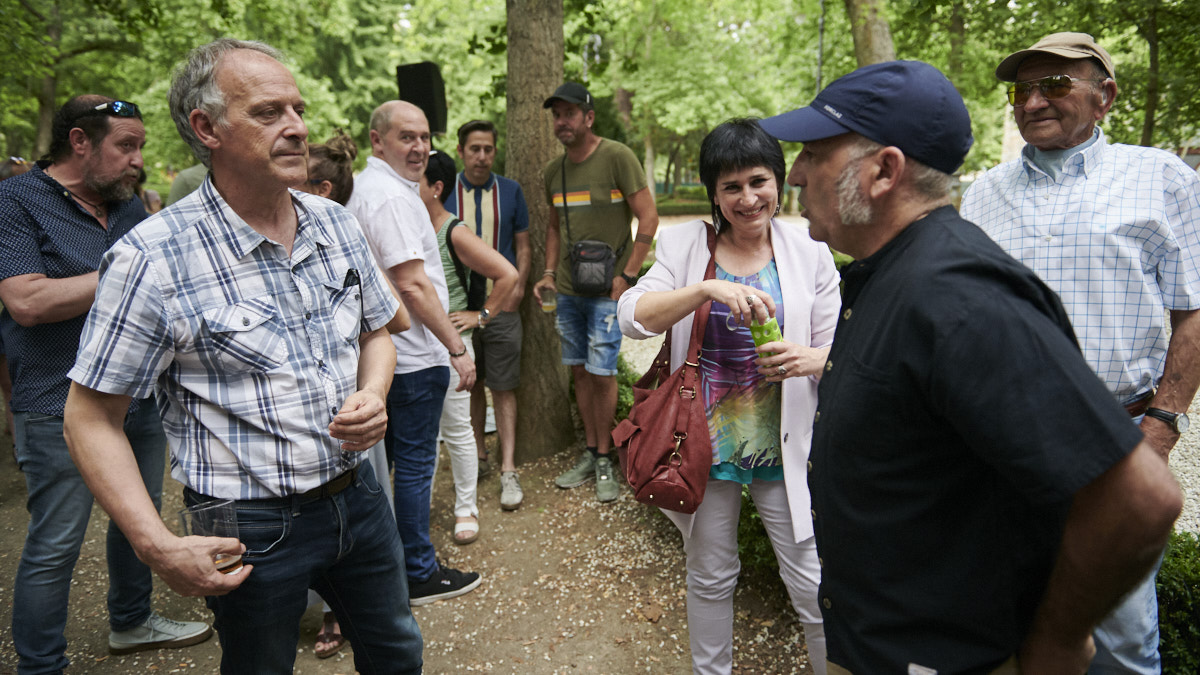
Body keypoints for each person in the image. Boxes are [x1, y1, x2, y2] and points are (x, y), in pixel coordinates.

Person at [760, 59, 1182, 673]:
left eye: (813, 153)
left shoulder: (958, 298)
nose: (793, 172)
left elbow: (1141, 500)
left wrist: (1058, 640)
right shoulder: (891, 275)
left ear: (884, 171)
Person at [61, 39, 422, 674]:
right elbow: (89, 417)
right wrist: (157, 546)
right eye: (267, 112)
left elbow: (377, 332)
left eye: (298, 108)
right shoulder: (152, 259)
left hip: (360, 497)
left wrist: (374, 391)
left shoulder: (333, 224)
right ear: (207, 128)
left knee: (397, 653)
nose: (298, 128)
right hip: (249, 528)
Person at [961, 33, 1200, 673]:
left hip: (1117, 437)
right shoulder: (983, 194)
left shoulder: (1164, 179)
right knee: (1011, 619)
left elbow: (1194, 310)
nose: (1034, 100)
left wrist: (1163, 426)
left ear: (1106, 96)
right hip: (1003, 447)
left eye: (1056, 85)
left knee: (1120, 640)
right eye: (1022, 90)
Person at [0, 95, 213, 674]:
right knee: (55, 545)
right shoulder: (15, 200)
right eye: (126, 146)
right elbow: (26, 300)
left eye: (140, 146)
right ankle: (41, 665)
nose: (137, 159)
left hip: (135, 396)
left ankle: (131, 621)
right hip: (56, 404)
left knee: (137, 518)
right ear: (79, 142)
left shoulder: (124, 208)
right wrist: (123, 275)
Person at [617, 118, 836, 674]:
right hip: (704, 445)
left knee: (811, 580)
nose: (747, 198)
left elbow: (842, 351)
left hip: (785, 445)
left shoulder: (808, 248)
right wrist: (705, 289)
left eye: (758, 181)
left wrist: (811, 360)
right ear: (714, 193)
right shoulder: (687, 244)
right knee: (711, 576)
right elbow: (632, 318)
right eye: (731, 187)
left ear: (780, 182)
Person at [348, 99, 482, 605]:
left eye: (424, 136)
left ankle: (391, 568)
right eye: (406, 137)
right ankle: (418, 572)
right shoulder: (388, 197)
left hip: (393, 355)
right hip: (413, 355)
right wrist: (456, 346)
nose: (420, 147)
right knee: (415, 466)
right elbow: (412, 284)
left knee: (395, 469)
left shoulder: (378, 190)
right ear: (377, 140)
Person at [295, 129, 408, 660]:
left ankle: (338, 612)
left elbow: (388, 323)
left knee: (392, 643)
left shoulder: (341, 228)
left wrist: (372, 390)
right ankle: (315, 607)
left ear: (319, 189)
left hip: (352, 453)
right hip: (271, 488)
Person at [531, 82, 660, 503]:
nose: (561, 121)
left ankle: (606, 457)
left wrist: (627, 276)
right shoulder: (555, 171)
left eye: (569, 113)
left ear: (589, 117)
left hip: (608, 291)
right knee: (580, 371)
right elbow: (552, 227)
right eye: (556, 115)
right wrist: (549, 273)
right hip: (568, 292)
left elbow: (649, 219)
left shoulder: (618, 157)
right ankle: (591, 451)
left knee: (603, 372)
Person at [422, 149, 518, 543]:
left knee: (458, 429)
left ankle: (466, 507)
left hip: (453, 343)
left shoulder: (452, 230)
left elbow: (507, 274)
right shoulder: (406, 227)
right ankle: (417, 512)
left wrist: (480, 316)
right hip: (414, 344)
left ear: (435, 188)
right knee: (423, 433)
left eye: (416, 181)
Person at [444, 119, 531, 509]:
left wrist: (517, 288)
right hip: (459, 310)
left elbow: (523, 247)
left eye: (488, 149)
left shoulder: (511, 191)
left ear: (496, 152)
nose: (482, 156)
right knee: (470, 384)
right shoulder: (443, 193)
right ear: (461, 151)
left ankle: (508, 468)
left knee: (504, 385)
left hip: (503, 307)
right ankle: (477, 455)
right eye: (474, 148)